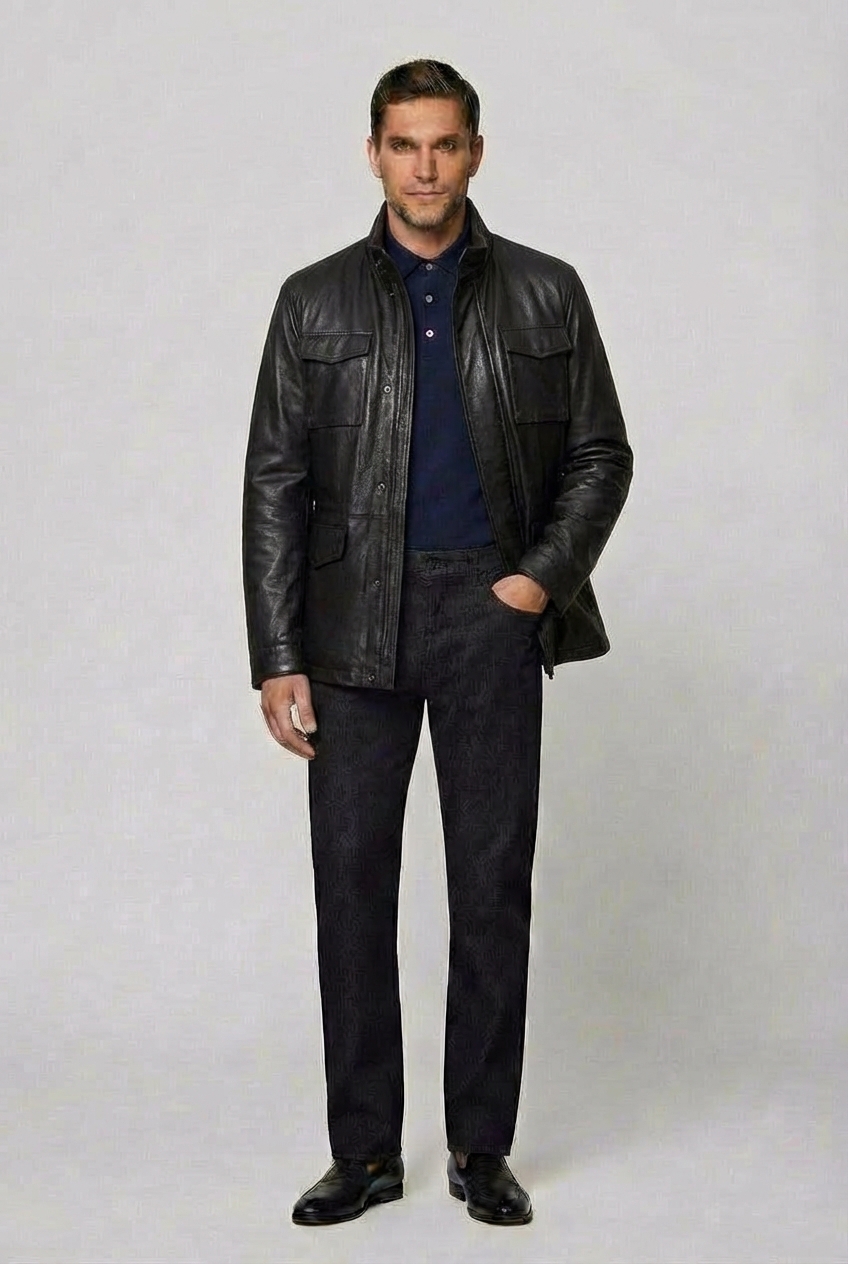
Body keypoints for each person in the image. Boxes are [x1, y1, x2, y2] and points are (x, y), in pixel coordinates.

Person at [242, 58, 633, 1228]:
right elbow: (275, 483)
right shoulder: (312, 301)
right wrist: (276, 651)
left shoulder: (544, 292)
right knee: (351, 888)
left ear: (474, 153)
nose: (424, 167)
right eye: (404, 144)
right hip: (349, 622)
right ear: (373, 153)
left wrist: (533, 582)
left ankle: (480, 1147)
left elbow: (599, 453)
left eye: (444, 144)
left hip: (487, 614)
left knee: (489, 887)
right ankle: (364, 1152)